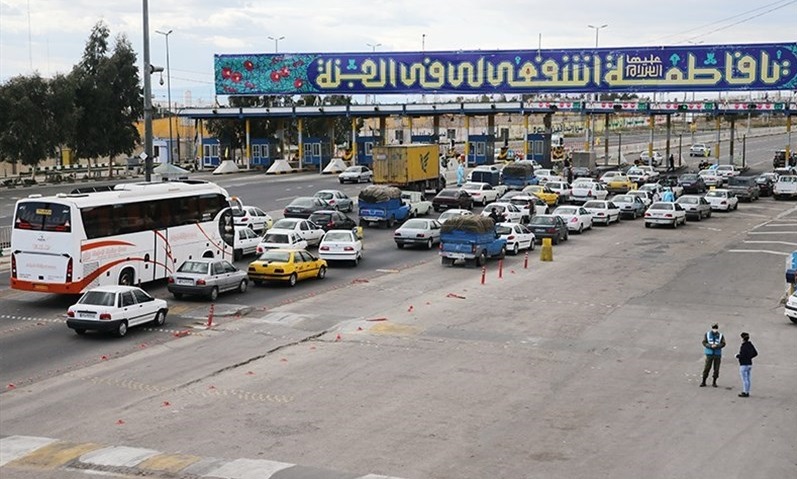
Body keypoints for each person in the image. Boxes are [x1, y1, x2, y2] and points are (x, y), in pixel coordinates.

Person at [701, 323, 726, 387]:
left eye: (716, 328)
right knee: (707, 368)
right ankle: (703, 381)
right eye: (714, 328)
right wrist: (710, 346)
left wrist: (717, 346)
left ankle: (714, 382)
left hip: (717, 354)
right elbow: (704, 342)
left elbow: (723, 343)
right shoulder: (707, 334)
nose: (715, 329)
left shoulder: (720, 335)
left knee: (716, 369)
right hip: (709, 353)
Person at [735, 332, 758, 397]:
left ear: (742, 338)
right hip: (749, 363)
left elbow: (742, 355)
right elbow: (755, 353)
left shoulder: (743, 346)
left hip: (743, 364)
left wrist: (737, 356)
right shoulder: (750, 345)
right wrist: (750, 357)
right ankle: (747, 391)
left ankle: (745, 392)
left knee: (744, 379)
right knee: (748, 378)